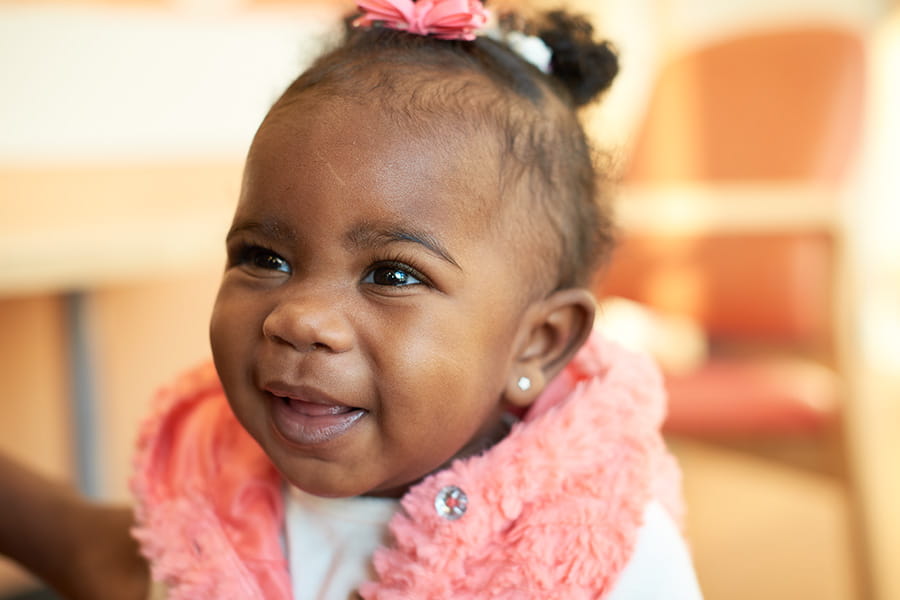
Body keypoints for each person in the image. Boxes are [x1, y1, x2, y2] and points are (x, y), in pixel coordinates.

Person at [1, 1, 703, 598]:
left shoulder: (606, 554)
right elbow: (109, 562)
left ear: (539, 342)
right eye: (263, 257)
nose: (299, 317)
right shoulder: (215, 506)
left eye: (392, 275)